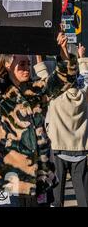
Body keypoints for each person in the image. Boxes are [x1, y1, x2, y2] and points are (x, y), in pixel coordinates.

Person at [0, 25, 74, 207]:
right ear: (8, 65)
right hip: (9, 177)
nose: (26, 68)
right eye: (22, 64)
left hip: (40, 178)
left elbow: (65, 78)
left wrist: (63, 49)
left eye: (28, 64)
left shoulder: (38, 89)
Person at [44, 43, 88, 207]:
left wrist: (39, 56)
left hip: (58, 149)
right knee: (83, 196)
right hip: (80, 149)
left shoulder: (55, 96)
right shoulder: (84, 95)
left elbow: (44, 77)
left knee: (56, 198)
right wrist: (81, 57)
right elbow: (86, 75)